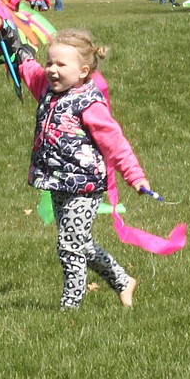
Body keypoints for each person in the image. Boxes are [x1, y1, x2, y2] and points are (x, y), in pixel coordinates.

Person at [11, 28, 150, 309]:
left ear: (83, 70)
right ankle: (123, 281)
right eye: (50, 62)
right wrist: (17, 51)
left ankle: (70, 307)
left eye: (61, 65)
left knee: (68, 246)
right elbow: (30, 72)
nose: (52, 70)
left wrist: (135, 176)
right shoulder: (48, 89)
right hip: (59, 182)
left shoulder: (90, 103)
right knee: (80, 242)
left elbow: (115, 143)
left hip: (85, 186)